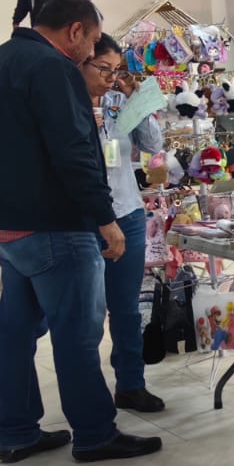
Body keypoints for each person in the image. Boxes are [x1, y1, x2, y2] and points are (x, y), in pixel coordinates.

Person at [0, 0, 163, 463]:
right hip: (54, 224)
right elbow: (74, 151)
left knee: (15, 334)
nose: (91, 51)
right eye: (92, 41)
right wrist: (105, 218)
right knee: (77, 333)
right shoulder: (54, 69)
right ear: (75, 31)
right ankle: (94, 433)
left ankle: (18, 432)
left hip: (3, 225)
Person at [86, 36, 166, 413]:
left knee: (127, 308)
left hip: (128, 212)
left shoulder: (119, 101)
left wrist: (136, 98)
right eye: (104, 68)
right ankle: (87, 392)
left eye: (116, 70)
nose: (110, 77)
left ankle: (131, 384)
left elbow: (153, 144)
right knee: (88, 311)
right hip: (87, 219)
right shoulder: (66, 103)